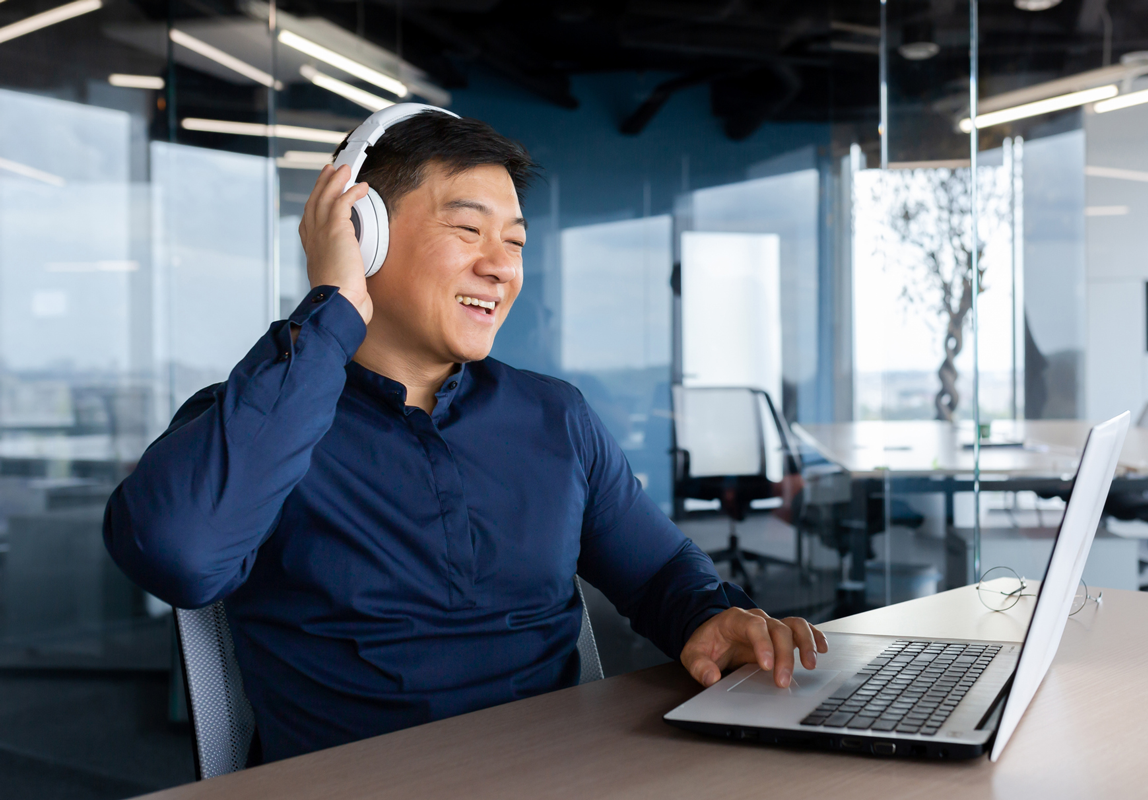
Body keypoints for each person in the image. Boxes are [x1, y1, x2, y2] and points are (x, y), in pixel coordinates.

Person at [103, 111, 826, 763]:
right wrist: (331, 310)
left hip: (559, 775)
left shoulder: (555, 417)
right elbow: (180, 557)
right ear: (364, 234)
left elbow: (659, 573)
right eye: (468, 230)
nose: (501, 265)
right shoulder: (259, 421)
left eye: (513, 241)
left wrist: (709, 616)